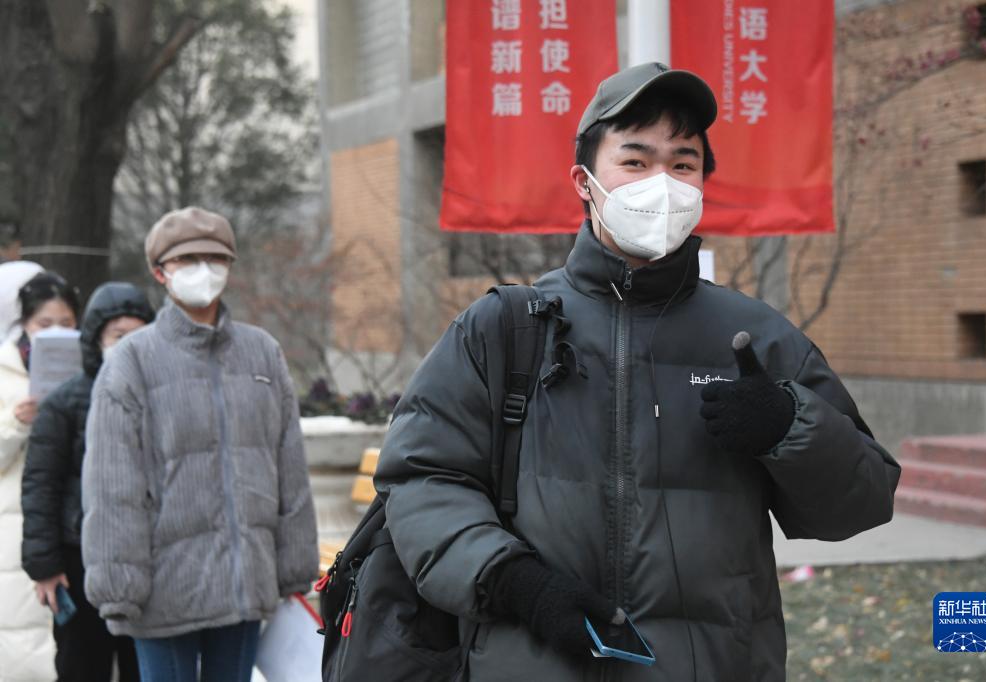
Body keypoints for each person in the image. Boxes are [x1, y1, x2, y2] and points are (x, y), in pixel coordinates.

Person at [374, 63, 902, 680]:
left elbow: (861, 502)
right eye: (635, 160)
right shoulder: (504, 329)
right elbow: (421, 478)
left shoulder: (757, 338)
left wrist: (790, 424)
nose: (662, 183)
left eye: (683, 163)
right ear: (584, 181)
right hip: (535, 660)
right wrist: (513, 581)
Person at [81, 207, 319, 682]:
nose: (203, 269)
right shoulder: (131, 362)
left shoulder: (262, 353)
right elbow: (112, 487)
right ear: (160, 271)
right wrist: (119, 586)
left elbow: (289, 467)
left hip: (245, 583)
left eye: (215, 258)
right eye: (187, 259)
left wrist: (294, 565)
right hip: (164, 590)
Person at [22, 281, 155, 682]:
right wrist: (44, 566)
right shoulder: (64, 403)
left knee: (143, 667)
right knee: (82, 665)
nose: (128, 345)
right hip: (78, 559)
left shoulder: (161, 397)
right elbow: (41, 486)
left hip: (148, 561)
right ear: (97, 339)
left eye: (138, 335)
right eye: (118, 335)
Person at [1, 271, 79, 681]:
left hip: (69, 521)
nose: (56, 333)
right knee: (20, 639)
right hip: (14, 526)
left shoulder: (89, 370)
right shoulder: (3, 371)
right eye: (44, 324)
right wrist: (16, 422)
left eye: (66, 324)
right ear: (24, 324)